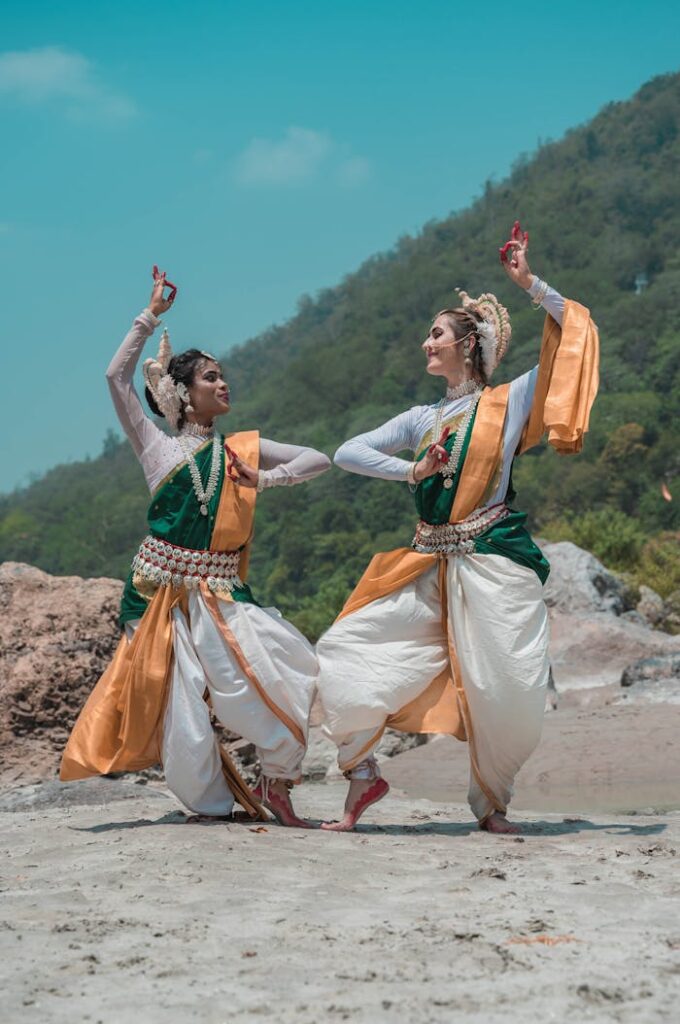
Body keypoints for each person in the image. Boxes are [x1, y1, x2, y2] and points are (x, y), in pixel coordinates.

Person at [316, 222, 599, 833]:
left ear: (468, 345)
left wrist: (530, 284)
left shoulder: (509, 401)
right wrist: (412, 468)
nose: (426, 343)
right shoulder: (421, 416)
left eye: (436, 333)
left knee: (503, 688)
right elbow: (347, 452)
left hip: (491, 561)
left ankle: (492, 802)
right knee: (345, 652)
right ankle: (363, 777)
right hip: (426, 563)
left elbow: (571, 331)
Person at [61, 268, 331, 827]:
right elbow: (115, 378)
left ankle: (276, 779)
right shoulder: (157, 449)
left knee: (286, 666)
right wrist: (149, 316)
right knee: (182, 705)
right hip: (159, 594)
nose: (224, 384)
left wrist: (266, 480)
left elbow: (317, 459)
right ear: (183, 393)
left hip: (222, 592)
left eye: (223, 375)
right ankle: (210, 805)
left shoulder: (241, 448)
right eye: (212, 377)